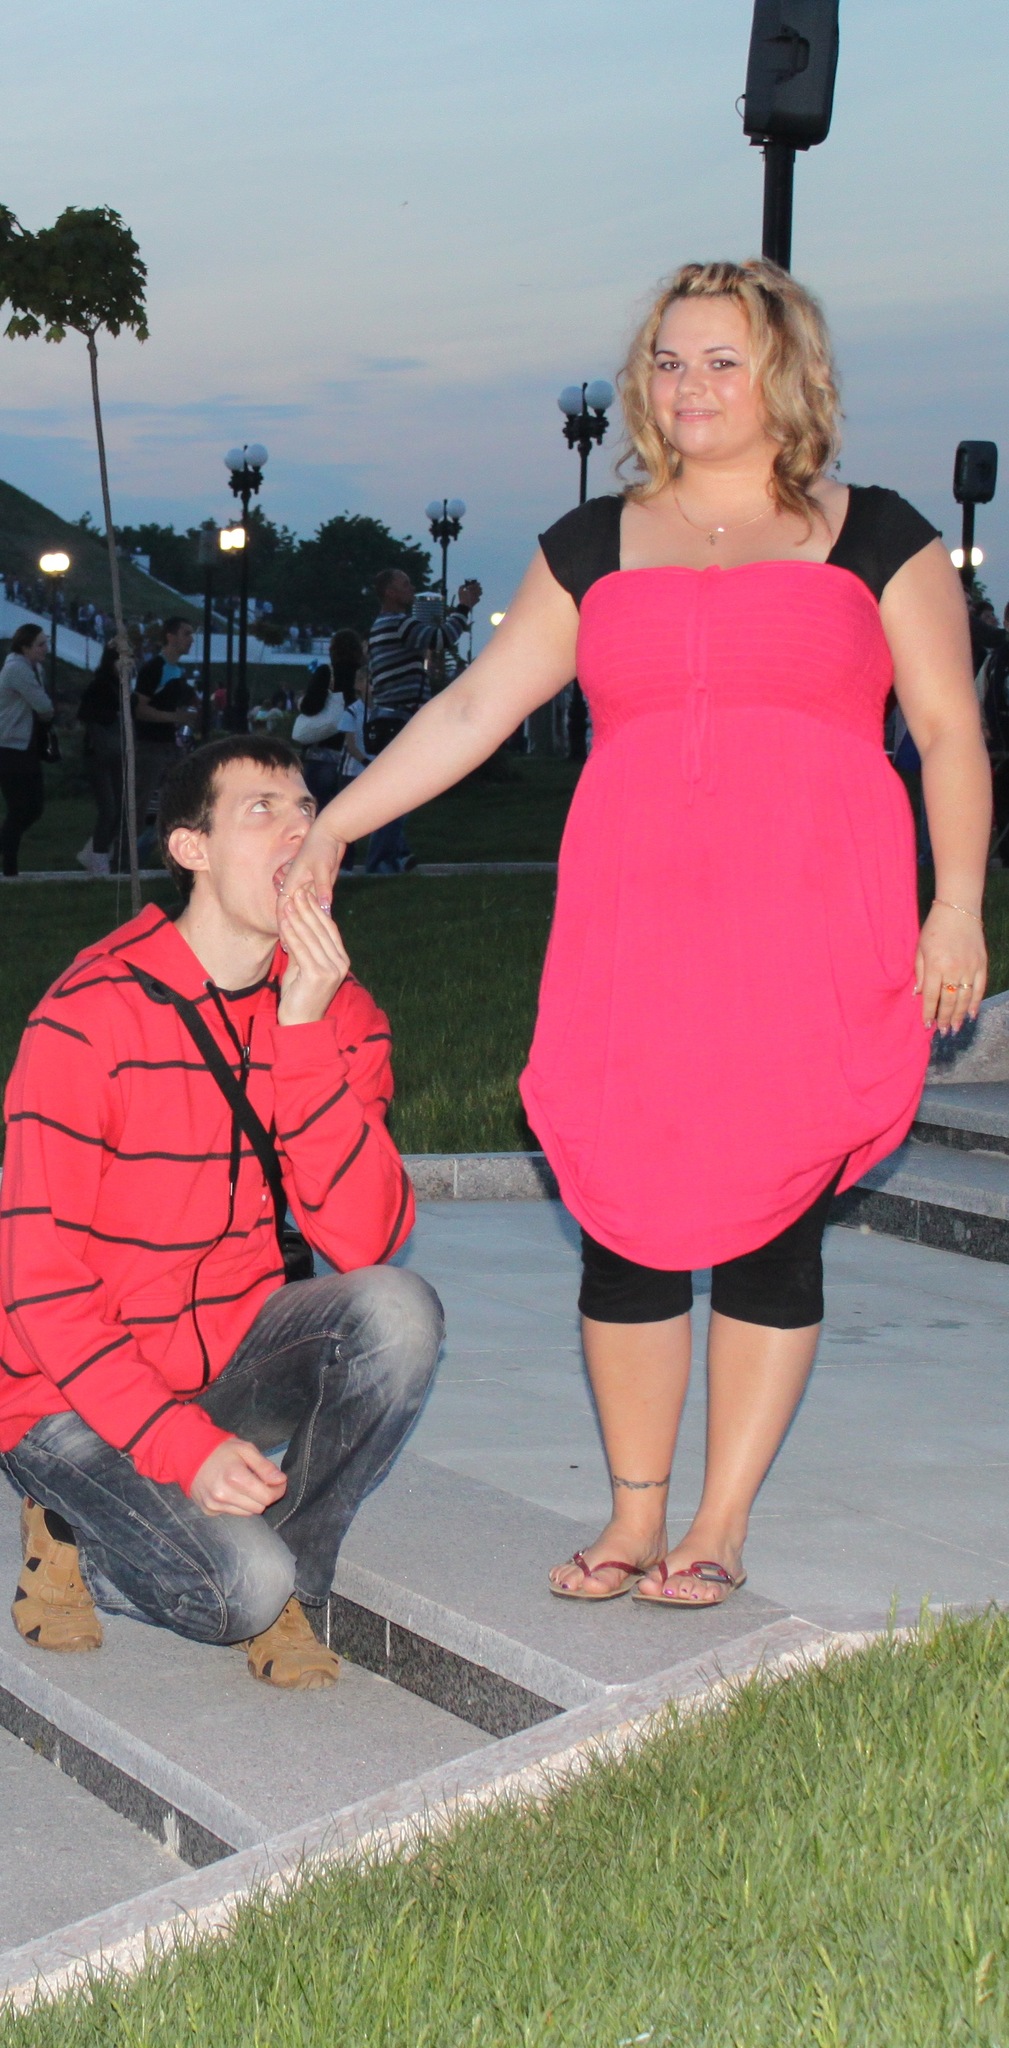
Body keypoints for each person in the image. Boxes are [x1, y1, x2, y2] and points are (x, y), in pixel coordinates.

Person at [282, 258, 990, 1610]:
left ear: (785, 373)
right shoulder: (594, 543)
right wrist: (337, 826)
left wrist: (953, 903)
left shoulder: (878, 534)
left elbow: (950, 731)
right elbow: (475, 708)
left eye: (721, 359)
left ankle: (718, 1521)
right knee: (624, 1212)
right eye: (669, 361)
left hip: (809, 930)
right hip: (636, 937)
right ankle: (632, 1511)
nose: (689, 385)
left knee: (776, 1221)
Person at [0, 734, 440, 1687]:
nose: (297, 830)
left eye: (306, 810)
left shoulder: (337, 1011)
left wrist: (301, 1033)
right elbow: (37, 1289)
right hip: (64, 1392)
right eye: (261, 810)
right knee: (233, 1590)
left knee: (398, 1313)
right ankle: (74, 1525)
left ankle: (294, 1580)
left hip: (219, 1358)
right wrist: (179, 1446)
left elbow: (366, 1240)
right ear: (190, 848)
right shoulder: (87, 1018)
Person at [365, 569, 482, 873]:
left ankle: (398, 853)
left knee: (395, 791)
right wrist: (464, 606)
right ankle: (382, 860)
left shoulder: (381, 625)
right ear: (390, 592)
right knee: (398, 794)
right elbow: (441, 639)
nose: (411, 588)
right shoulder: (398, 624)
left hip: (389, 716)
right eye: (405, 584)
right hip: (401, 718)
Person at [132, 616, 197, 863]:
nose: (191, 639)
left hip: (168, 742)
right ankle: (126, 853)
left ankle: (148, 847)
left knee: (179, 797)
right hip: (150, 744)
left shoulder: (176, 670)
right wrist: (175, 716)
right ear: (170, 636)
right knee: (142, 800)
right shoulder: (155, 669)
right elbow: (140, 709)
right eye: (186, 633)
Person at [0, 622, 55, 878]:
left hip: (24, 746)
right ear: (25, 647)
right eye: (40, 644)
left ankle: (7, 851)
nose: (46, 648)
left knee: (33, 807)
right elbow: (44, 706)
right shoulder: (17, 670)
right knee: (21, 807)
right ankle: (9, 867)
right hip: (10, 746)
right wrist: (46, 714)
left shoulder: (34, 668)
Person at [292, 631, 362, 810]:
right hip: (352, 754)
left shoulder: (327, 672)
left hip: (323, 749)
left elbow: (311, 706)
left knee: (316, 807)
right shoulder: (363, 676)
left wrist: (300, 700)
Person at [76, 640, 123, 877]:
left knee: (118, 807)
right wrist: (113, 714)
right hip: (100, 753)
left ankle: (97, 852)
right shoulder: (102, 685)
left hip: (113, 751)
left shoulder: (117, 684)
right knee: (109, 808)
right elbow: (87, 713)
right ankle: (98, 857)